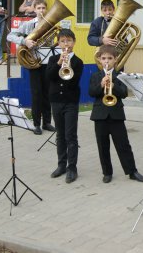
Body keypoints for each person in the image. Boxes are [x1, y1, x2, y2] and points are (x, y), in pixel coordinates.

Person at [88, 45, 143, 183]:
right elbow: (91, 92)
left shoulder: (120, 76)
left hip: (116, 115)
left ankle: (132, 171)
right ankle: (107, 173)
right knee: (102, 146)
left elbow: (124, 94)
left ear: (115, 60)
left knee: (123, 145)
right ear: (99, 59)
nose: (106, 61)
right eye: (104, 58)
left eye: (110, 58)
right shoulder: (96, 75)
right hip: (100, 115)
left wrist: (113, 86)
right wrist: (101, 85)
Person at [6, 0, 57, 135]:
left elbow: (52, 41)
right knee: (36, 94)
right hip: (33, 62)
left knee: (47, 93)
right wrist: (25, 41)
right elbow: (10, 36)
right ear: (34, 9)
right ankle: (36, 124)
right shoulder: (28, 25)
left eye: (43, 8)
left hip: (47, 62)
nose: (41, 11)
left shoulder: (50, 24)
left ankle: (47, 122)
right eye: (39, 8)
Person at [47, 29, 84, 184]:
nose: (66, 44)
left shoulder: (78, 62)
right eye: (62, 41)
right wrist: (58, 63)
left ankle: (72, 167)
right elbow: (49, 76)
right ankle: (61, 165)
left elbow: (72, 81)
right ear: (58, 43)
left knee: (70, 136)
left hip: (70, 101)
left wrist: (66, 64)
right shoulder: (53, 59)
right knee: (60, 135)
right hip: (56, 101)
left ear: (74, 42)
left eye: (69, 41)